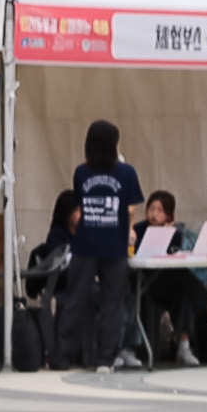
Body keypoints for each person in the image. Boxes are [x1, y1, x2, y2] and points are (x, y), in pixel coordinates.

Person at [53, 119, 143, 373]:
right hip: (115, 247)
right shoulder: (127, 173)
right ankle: (105, 359)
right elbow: (130, 207)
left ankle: (61, 357)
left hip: (84, 245)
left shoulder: (81, 173)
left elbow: (81, 201)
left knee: (75, 301)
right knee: (111, 305)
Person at [140, 190, 207, 367]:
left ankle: (184, 346)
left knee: (183, 292)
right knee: (182, 276)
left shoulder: (175, 233)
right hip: (145, 283)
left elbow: (173, 255)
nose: (155, 214)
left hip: (167, 284)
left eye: (160, 210)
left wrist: (169, 235)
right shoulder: (139, 229)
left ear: (169, 214)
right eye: (152, 209)